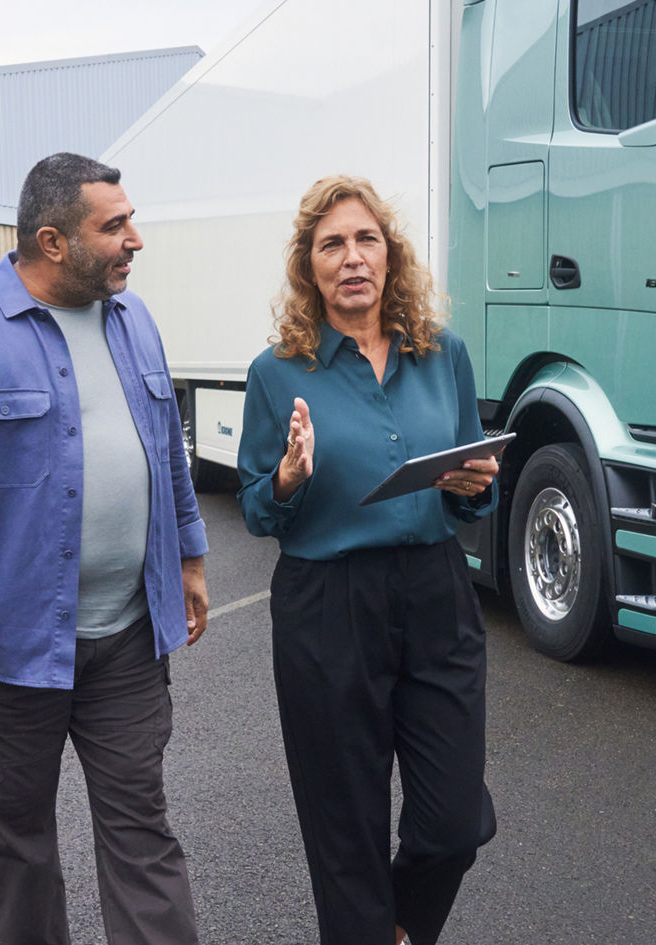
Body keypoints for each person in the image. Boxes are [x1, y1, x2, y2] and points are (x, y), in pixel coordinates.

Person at [0, 152, 210, 945]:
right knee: (18, 848)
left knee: (143, 833)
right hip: (9, 650)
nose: (136, 239)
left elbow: (167, 450)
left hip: (127, 638)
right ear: (54, 241)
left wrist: (190, 557)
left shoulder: (135, 321)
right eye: (116, 225)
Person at [238, 175, 500, 945]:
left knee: (453, 819)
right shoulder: (277, 371)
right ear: (308, 267)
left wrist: (475, 485)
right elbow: (257, 506)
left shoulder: (441, 355)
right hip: (327, 602)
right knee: (344, 826)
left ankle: (398, 925)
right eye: (332, 244)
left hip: (434, 592)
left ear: (391, 256)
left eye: (366, 240)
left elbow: (468, 490)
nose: (352, 257)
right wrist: (287, 477)